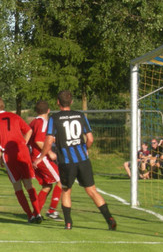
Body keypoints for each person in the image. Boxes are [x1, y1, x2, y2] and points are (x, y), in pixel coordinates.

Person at [33, 90, 117, 230]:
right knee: (92, 191)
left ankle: (68, 223)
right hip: (83, 160)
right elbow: (90, 139)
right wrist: (85, 149)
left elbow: (48, 141)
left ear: (58, 102)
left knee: (66, 191)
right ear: (71, 102)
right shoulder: (80, 115)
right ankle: (109, 219)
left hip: (66, 162)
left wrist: (41, 157)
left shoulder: (54, 118)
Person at [0, 96, 42, 223]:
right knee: (29, 185)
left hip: (8, 155)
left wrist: (0, 156)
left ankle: (30, 215)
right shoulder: (15, 117)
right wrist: (23, 143)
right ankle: (38, 213)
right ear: (3, 105)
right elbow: (28, 130)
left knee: (17, 187)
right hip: (22, 152)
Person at [28, 100, 63, 219]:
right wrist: (49, 152)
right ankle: (52, 211)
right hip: (41, 158)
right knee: (61, 180)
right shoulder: (42, 122)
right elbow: (38, 140)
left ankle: (36, 213)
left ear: (36, 111)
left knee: (47, 186)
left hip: (34, 157)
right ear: (48, 111)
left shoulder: (33, 122)